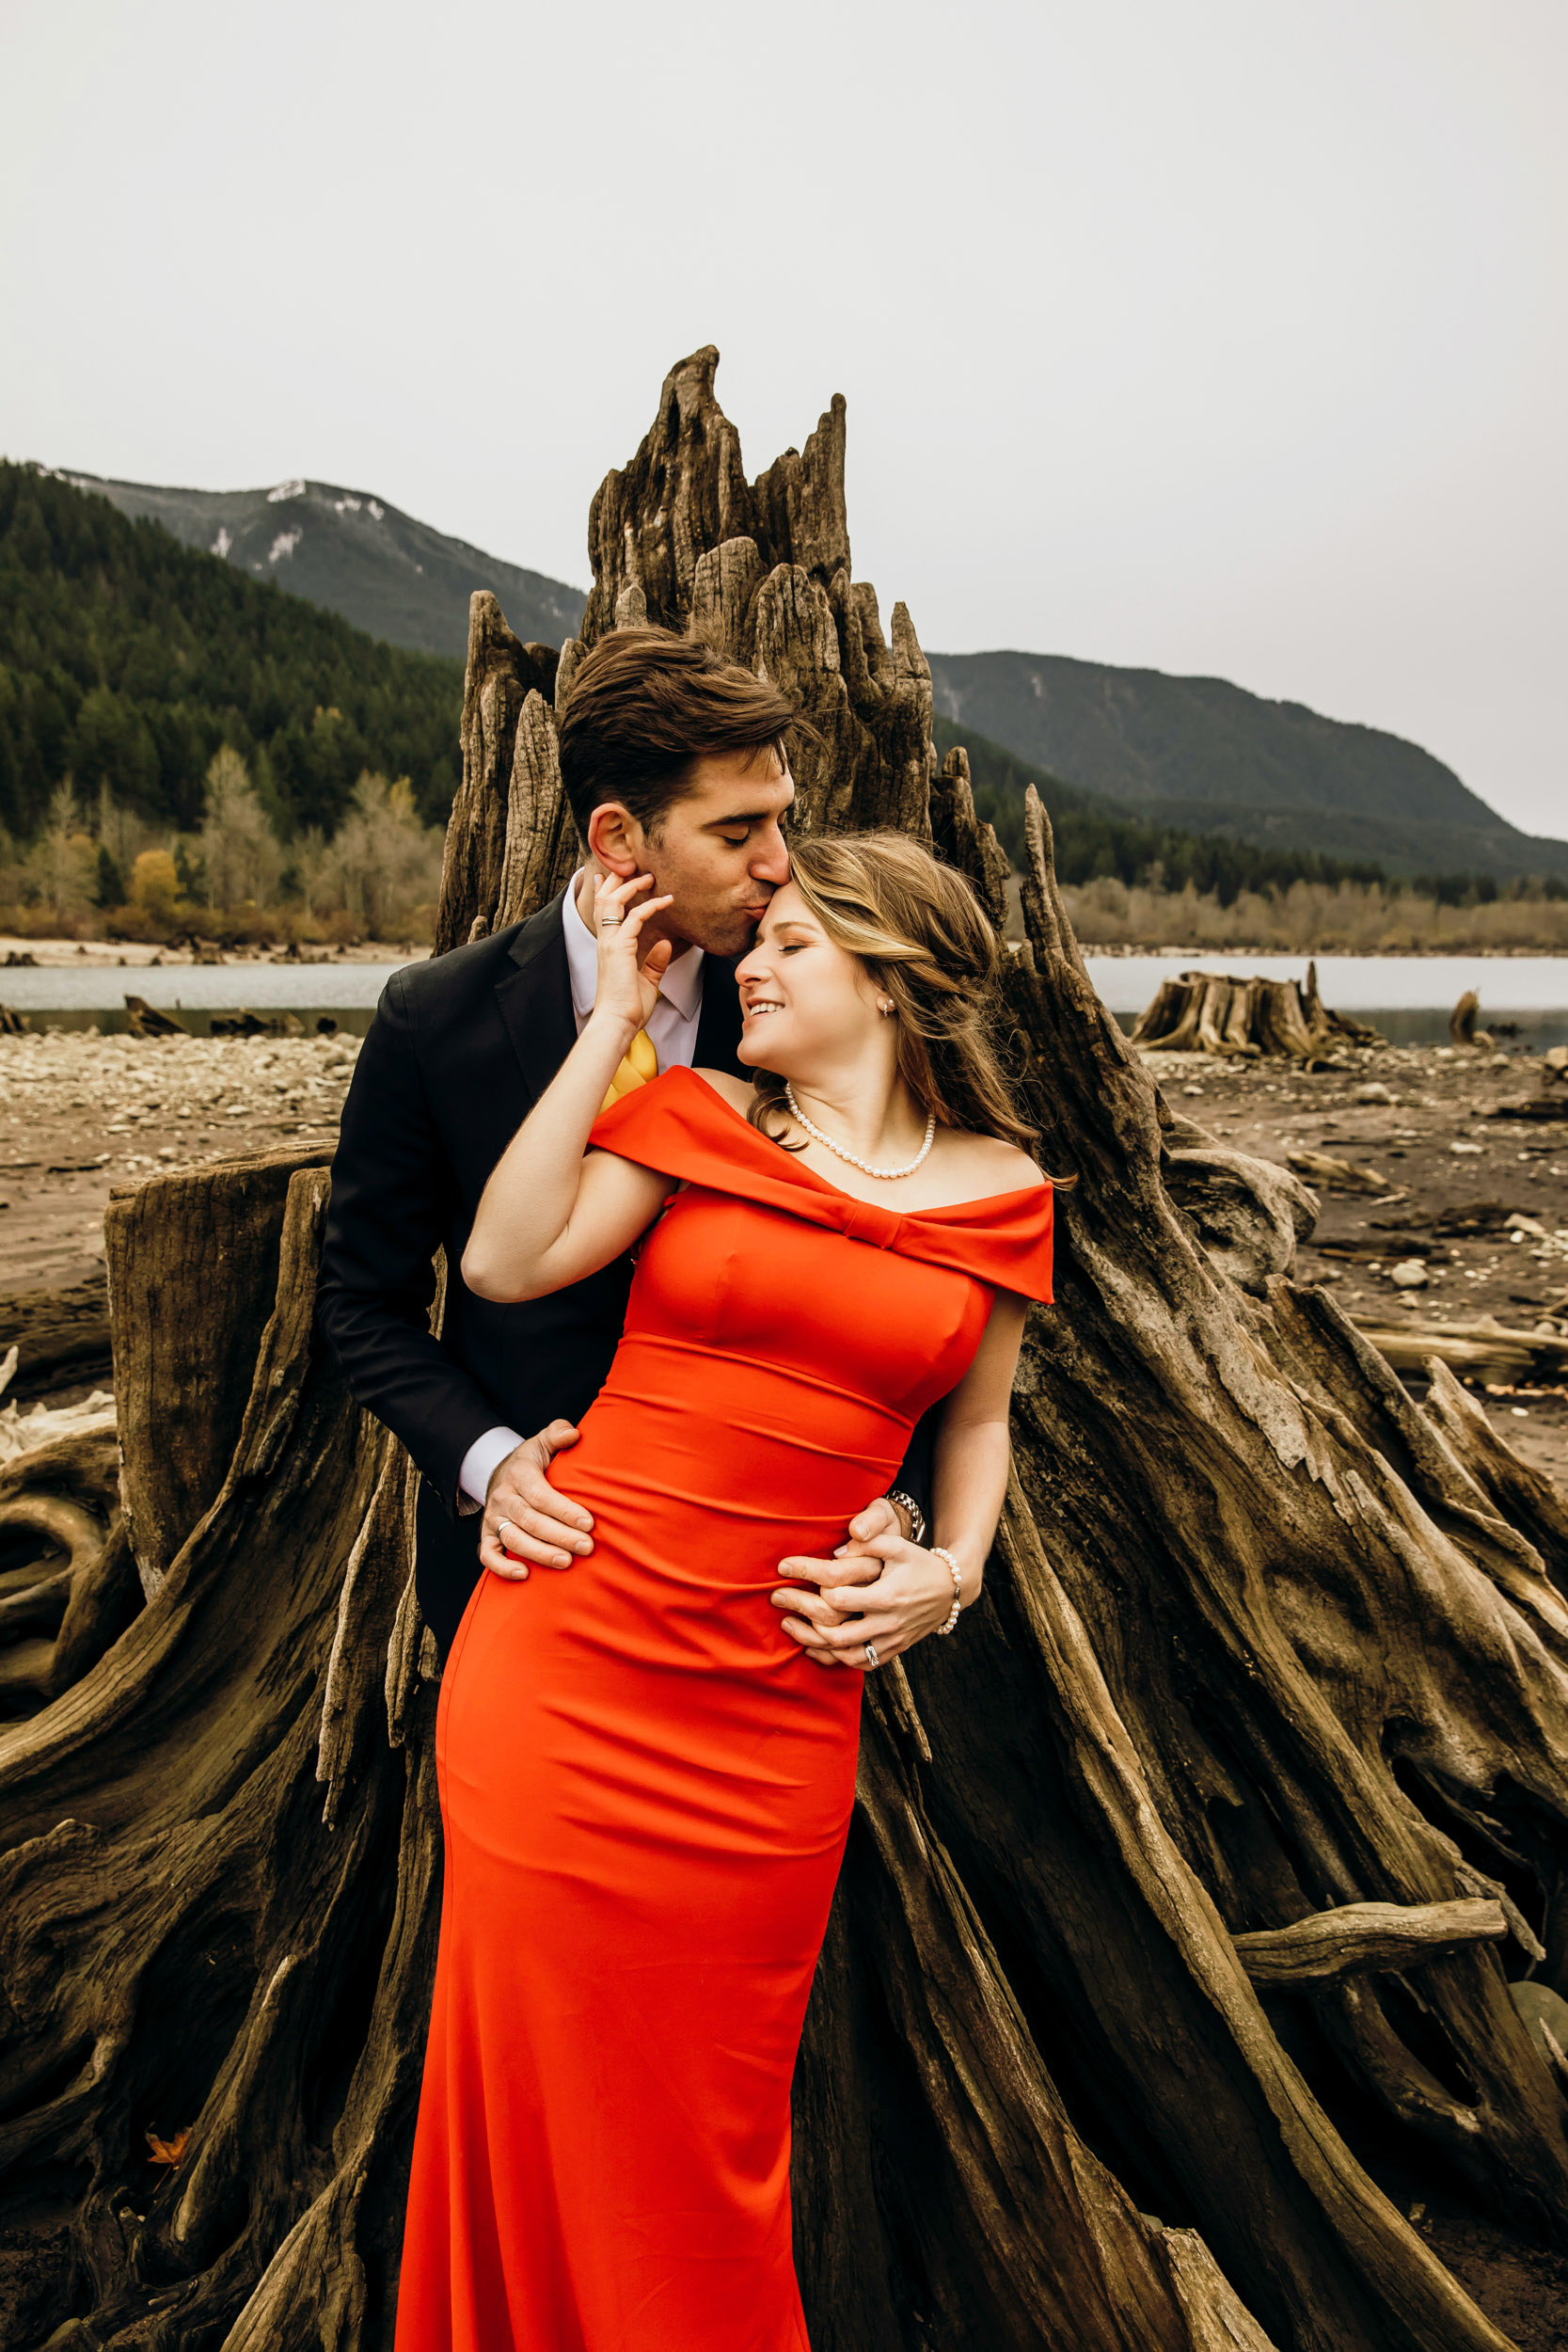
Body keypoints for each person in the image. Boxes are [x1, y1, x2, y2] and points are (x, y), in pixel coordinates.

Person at [393, 831, 1056, 2351]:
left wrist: (948, 1577)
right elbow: (500, 1261)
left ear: (894, 983)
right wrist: (612, 1023)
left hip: (774, 1718)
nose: (744, 963)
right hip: (569, 1671)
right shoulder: (691, 1116)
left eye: (793, 944)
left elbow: (979, 1424)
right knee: (546, 2106)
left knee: (706, 2142)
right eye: (750, 942)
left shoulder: (1005, 1190)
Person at [317, 629, 932, 1657]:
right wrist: (488, 1461)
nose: (778, 865)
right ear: (617, 840)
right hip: (527, 1566)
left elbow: (920, 1285)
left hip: (778, 1592)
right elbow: (358, 1301)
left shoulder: (815, 1008)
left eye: (783, 821)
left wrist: (909, 1520)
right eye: (737, 832)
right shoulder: (435, 1018)